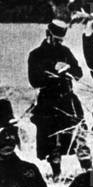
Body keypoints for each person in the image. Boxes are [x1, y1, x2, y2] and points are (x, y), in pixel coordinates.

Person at [27, 19, 84, 178]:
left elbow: (78, 73)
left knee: (77, 134)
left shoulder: (65, 52)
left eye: (60, 40)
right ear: (48, 34)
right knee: (51, 139)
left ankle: (86, 169)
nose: (58, 43)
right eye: (55, 39)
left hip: (67, 100)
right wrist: (54, 72)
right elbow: (34, 80)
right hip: (48, 102)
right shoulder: (36, 55)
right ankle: (56, 172)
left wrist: (68, 69)